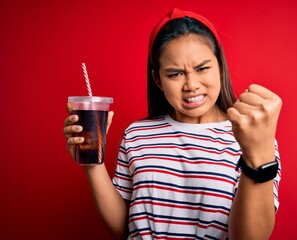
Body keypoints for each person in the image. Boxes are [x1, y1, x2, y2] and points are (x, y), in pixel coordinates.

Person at [64, 8, 282, 240]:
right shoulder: (136, 134)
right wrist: (93, 164)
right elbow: (125, 228)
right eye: (175, 74)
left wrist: (257, 155)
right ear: (158, 79)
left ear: (220, 65)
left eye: (202, 68)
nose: (191, 85)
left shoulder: (252, 135)